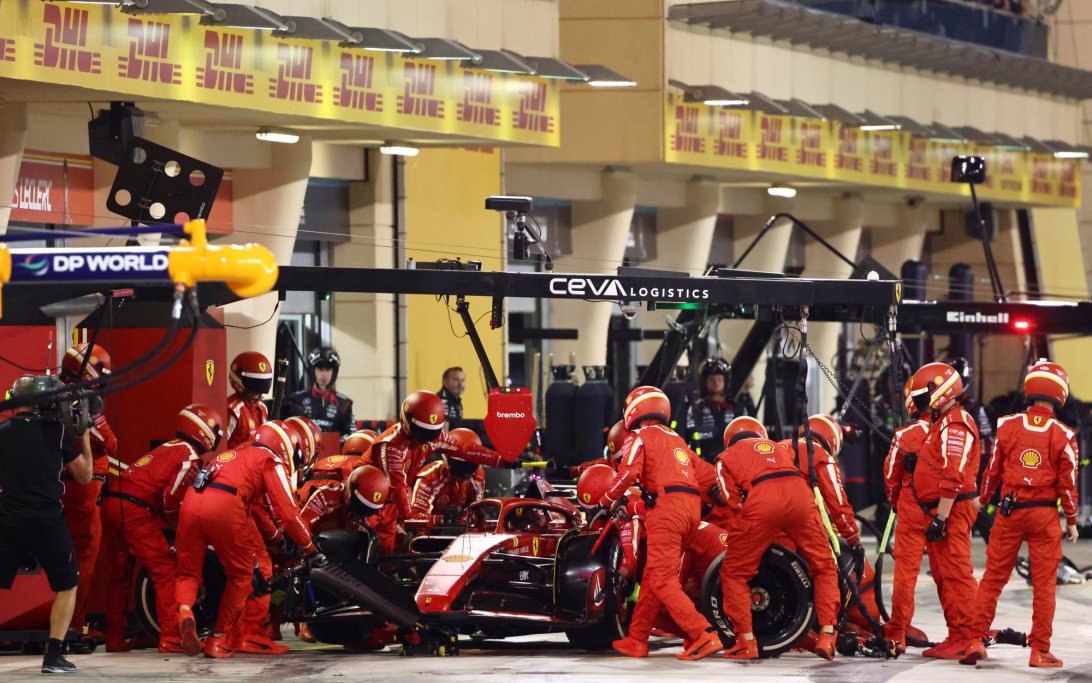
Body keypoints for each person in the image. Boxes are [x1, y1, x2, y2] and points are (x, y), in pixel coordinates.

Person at [961, 360, 1080, 668]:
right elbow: (1068, 485)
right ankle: (1040, 650)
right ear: (1060, 392)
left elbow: (992, 472)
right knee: (1044, 586)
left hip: (1009, 512)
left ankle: (975, 640)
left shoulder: (1007, 425)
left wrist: (983, 499)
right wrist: (1071, 520)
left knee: (992, 579)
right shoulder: (1064, 435)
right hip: (1043, 517)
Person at [175, 420, 320, 659]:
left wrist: (275, 539)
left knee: (187, 573)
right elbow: (289, 515)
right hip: (225, 504)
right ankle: (220, 639)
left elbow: (257, 511)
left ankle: (184, 612)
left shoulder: (236, 453)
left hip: (192, 500)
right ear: (286, 446)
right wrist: (310, 548)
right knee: (243, 576)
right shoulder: (271, 460)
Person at [599, 386, 722, 661]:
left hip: (666, 512)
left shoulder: (638, 436)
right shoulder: (678, 440)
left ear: (634, 410)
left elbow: (628, 472)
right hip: (691, 511)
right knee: (655, 576)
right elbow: (709, 477)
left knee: (663, 579)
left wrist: (606, 499)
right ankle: (637, 638)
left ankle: (702, 634)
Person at [99, 404, 223, 653]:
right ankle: (170, 636)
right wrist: (178, 528)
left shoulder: (168, 447)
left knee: (119, 574)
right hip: (135, 509)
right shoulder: (189, 455)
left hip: (111, 502)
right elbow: (169, 500)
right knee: (165, 571)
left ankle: (114, 638)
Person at [714, 416, 840, 661]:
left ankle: (746, 641)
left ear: (728, 441)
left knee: (734, 573)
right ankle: (828, 635)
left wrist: (746, 529)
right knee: (825, 566)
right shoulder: (779, 446)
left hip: (762, 501)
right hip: (800, 496)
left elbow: (731, 501)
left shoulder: (725, 457)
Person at [0, 376, 94, 674]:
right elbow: (85, 476)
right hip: (47, 520)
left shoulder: (1, 431)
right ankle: (53, 656)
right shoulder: (57, 431)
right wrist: (86, 434)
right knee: (67, 584)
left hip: (9, 518)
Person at [365, 390, 513, 554]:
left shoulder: (432, 439)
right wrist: (439, 520)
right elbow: (402, 502)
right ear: (408, 421)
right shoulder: (392, 446)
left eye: (433, 433)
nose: (428, 439)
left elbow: (464, 449)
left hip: (394, 498)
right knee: (385, 547)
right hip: (373, 499)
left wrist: (504, 460)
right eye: (423, 432)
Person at [904, 361, 981, 659]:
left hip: (951, 510)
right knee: (944, 575)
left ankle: (969, 637)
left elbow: (954, 473)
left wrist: (942, 517)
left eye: (924, 398)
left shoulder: (956, 422)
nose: (921, 406)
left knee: (956, 575)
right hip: (943, 510)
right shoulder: (946, 422)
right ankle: (957, 635)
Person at [57, 343, 117, 647]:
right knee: (83, 558)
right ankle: (72, 627)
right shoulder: (80, 403)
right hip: (81, 490)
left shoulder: (53, 394)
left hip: (62, 489)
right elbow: (111, 442)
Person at [882, 382, 934, 653]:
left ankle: (898, 630)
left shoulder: (907, 433)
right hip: (947, 510)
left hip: (912, 507)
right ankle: (966, 633)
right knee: (955, 573)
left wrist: (895, 503)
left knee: (906, 572)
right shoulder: (953, 429)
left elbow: (891, 473)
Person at [408, 428, 486, 529]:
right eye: (462, 466)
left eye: (471, 466)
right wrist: (442, 519)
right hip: (428, 536)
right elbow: (414, 518)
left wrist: (460, 519)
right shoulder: (430, 477)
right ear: (448, 460)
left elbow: (475, 508)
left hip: (461, 536)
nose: (467, 475)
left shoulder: (477, 475)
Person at [290, 347, 355, 440]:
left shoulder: (345, 404)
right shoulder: (297, 399)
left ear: (334, 372)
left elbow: (351, 435)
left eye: (328, 369)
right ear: (313, 371)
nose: (324, 374)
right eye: (320, 369)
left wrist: (336, 443)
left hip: (335, 454)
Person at [685, 357, 736, 462]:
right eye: (711, 380)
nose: (716, 383)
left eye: (719, 379)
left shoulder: (736, 407)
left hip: (732, 462)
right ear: (705, 382)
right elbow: (693, 435)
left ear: (726, 381)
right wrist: (716, 432)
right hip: (705, 462)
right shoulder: (696, 408)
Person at [225, 351, 272, 448]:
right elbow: (220, 446)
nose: (258, 392)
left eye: (262, 385)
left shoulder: (262, 408)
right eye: (255, 385)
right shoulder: (233, 410)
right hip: (235, 461)